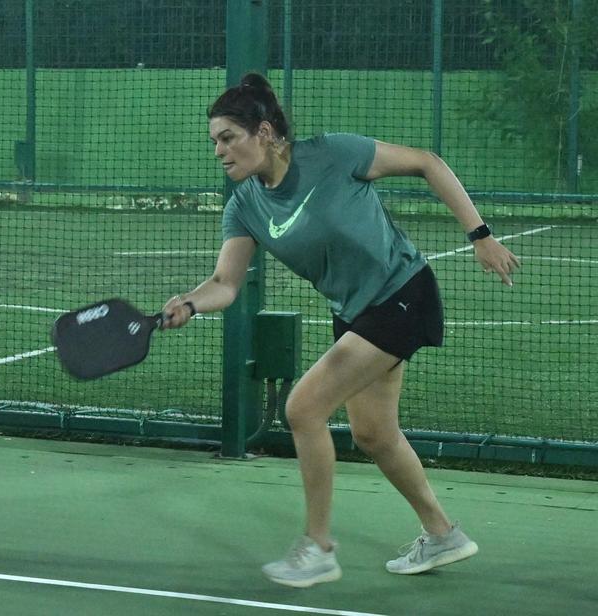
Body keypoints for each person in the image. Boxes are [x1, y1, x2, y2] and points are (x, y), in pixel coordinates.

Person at [160, 74, 519, 587]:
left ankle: (319, 547)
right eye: (214, 141)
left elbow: (426, 162)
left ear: (263, 131)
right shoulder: (245, 205)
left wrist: (480, 235)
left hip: (403, 293)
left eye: (227, 137)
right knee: (374, 434)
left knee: (303, 407)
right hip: (355, 312)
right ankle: (443, 534)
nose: (219, 150)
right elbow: (225, 283)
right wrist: (191, 304)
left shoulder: (332, 154)